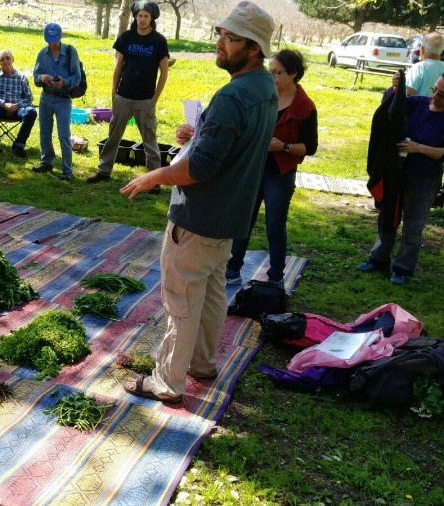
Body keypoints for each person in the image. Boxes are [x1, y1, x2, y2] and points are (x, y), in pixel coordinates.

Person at [119, 1, 277, 403]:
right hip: (230, 216)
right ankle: (202, 363)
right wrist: (200, 137)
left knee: (181, 303)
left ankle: (167, 382)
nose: (220, 44)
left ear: (255, 47)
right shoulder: (265, 88)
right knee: (209, 294)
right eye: (220, 35)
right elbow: (228, 149)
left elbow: (199, 169)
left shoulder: (233, 95)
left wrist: (151, 175)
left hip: (199, 216)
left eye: (231, 38)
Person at [358, 69, 444, 285]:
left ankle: (402, 267)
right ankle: (378, 258)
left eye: (442, 94)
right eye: (434, 89)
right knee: (388, 215)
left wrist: (418, 148)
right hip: (397, 171)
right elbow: (389, 110)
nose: (435, 96)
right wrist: (395, 88)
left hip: (425, 178)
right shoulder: (418, 103)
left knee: (413, 224)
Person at [225, 49, 318, 286]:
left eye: (279, 73)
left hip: (280, 174)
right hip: (252, 169)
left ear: (294, 74)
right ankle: (232, 270)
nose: (273, 77)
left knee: (275, 227)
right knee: (242, 221)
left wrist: (282, 146)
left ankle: (276, 277)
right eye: (271, 72)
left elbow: (309, 147)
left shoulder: (305, 106)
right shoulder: (264, 96)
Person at [87, 0, 169, 191]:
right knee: (113, 136)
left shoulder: (158, 41)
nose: (142, 19)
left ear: (152, 18)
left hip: (145, 100)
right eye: (139, 15)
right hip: (123, 97)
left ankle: (153, 180)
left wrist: (154, 99)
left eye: (146, 16)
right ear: (135, 17)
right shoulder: (126, 38)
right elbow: (118, 65)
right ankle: (103, 171)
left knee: (150, 140)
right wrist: (114, 92)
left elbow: (164, 72)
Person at [32, 23, 81, 180]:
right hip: (45, 97)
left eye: (54, 40)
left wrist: (64, 82)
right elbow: (35, 77)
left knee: (63, 135)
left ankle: (67, 170)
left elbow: (77, 77)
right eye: (49, 40)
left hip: (63, 99)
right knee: (44, 132)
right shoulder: (42, 54)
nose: (52, 44)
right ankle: (47, 161)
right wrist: (41, 78)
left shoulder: (70, 52)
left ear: (60, 37)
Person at [0, 49, 37, 158]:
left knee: (31, 112)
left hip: (18, 109)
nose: (5, 61)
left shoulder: (21, 77)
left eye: (8, 58)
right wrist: (3, 104)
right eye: (2, 59)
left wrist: (17, 106)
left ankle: (18, 145)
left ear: (13, 59)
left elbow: (29, 98)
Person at [404, 32, 444, 97]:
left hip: (418, 106)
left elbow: (409, 94)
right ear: (441, 50)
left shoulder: (418, 67)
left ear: (422, 49)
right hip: (436, 106)